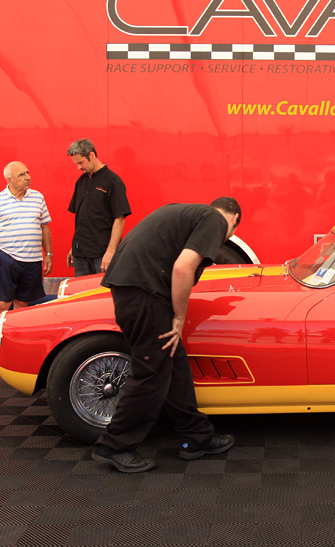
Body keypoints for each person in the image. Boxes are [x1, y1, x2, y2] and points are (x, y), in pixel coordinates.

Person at [91, 198, 242, 473]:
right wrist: (179, 317)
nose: (225, 238)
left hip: (135, 291)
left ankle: (197, 437)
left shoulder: (183, 212)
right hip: (145, 295)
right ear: (233, 219)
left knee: (173, 362)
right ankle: (114, 446)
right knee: (151, 372)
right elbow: (183, 268)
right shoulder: (215, 220)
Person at [0, 161, 53, 367]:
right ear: (9, 179)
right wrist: (1, 255)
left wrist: (48, 254)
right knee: (2, 304)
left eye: (28, 172)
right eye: (21, 175)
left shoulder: (37, 197)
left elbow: (45, 227)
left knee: (22, 306)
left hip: (33, 260)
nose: (27, 177)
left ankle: (17, 347)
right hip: (9, 261)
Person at [65, 139, 131, 276]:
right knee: (82, 296)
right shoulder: (81, 181)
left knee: (101, 295)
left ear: (92, 155)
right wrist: (74, 247)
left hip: (102, 255)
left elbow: (119, 219)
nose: (78, 167)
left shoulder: (113, 181)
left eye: (80, 162)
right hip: (80, 254)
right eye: (76, 163)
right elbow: (81, 217)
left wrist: (111, 252)